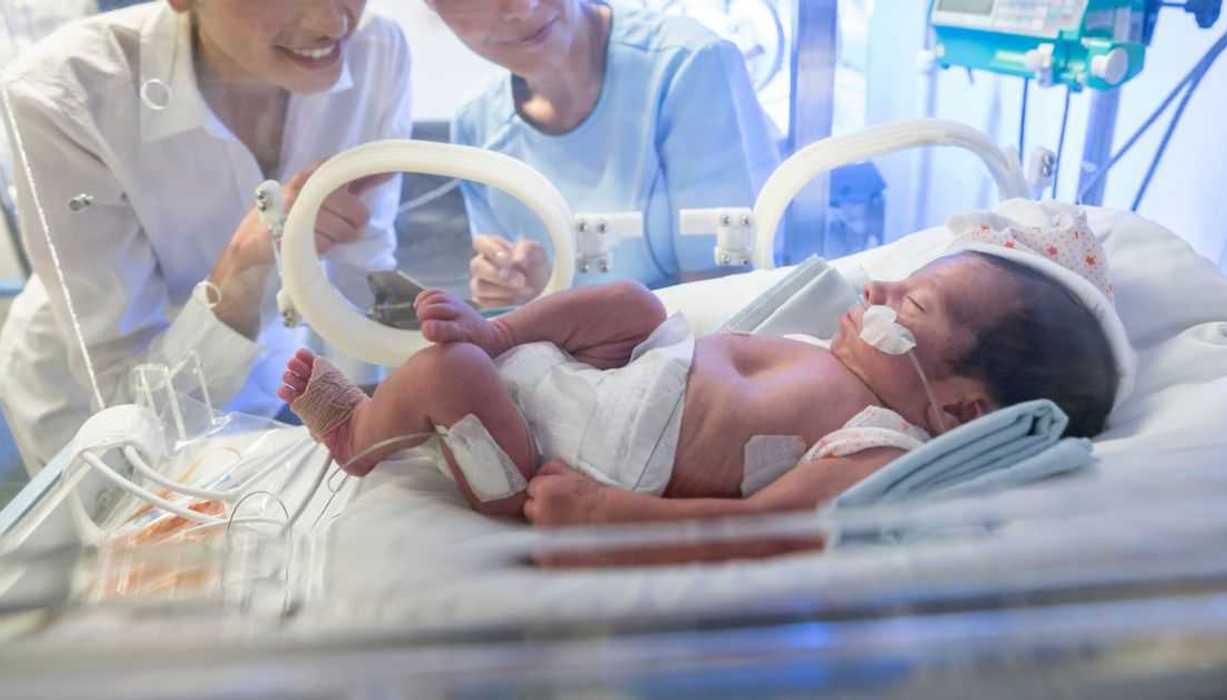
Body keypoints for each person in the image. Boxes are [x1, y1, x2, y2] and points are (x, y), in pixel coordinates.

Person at [278, 221, 1121, 534]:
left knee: (449, 373)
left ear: (962, 402)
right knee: (625, 299)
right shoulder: (831, 355)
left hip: (572, 461)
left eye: (918, 302)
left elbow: (764, 528)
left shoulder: (875, 442)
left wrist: (615, 519)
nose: (879, 289)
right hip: (622, 381)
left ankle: (361, 434)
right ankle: (497, 328)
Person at [0, 0, 413, 469]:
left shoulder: (376, 50)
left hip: (271, 366)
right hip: (97, 411)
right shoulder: (67, 92)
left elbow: (360, 272)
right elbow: (125, 401)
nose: (331, 22)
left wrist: (377, 430)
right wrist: (244, 263)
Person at [429, 0, 780, 307]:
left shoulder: (688, 66)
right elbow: (515, 313)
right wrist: (517, 291)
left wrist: (564, 315)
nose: (523, 7)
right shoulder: (477, 125)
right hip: (570, 368)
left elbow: (724, 300)